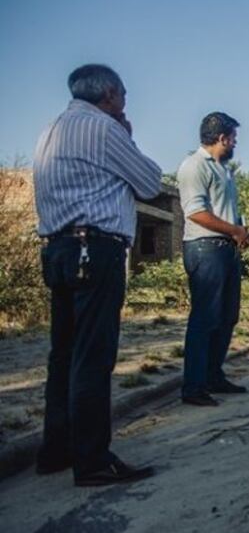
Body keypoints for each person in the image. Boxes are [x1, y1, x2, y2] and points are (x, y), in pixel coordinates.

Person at [33, 64, 160, 486]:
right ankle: (92, 460)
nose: (124, 102)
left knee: (63, 354)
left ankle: (56, 450)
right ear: (109, 94)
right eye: (123, 94)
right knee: (93, 355)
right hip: (95, 249)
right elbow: (149, 183)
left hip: (58, 249)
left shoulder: (50, 130)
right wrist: (127, 135)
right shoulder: (104, 129)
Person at [176, 112, 249, 406]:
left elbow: (224, 209)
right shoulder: (194, 165)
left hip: (226, 248)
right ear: (222, 138)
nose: (235, 143)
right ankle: (193, 387)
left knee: (227, 316)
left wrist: (240, 230)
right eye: (233, 138)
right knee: (205, 317)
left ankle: (213, 376)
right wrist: (233, 230)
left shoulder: (224, 169)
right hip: (205, 248)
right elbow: (195, 212)